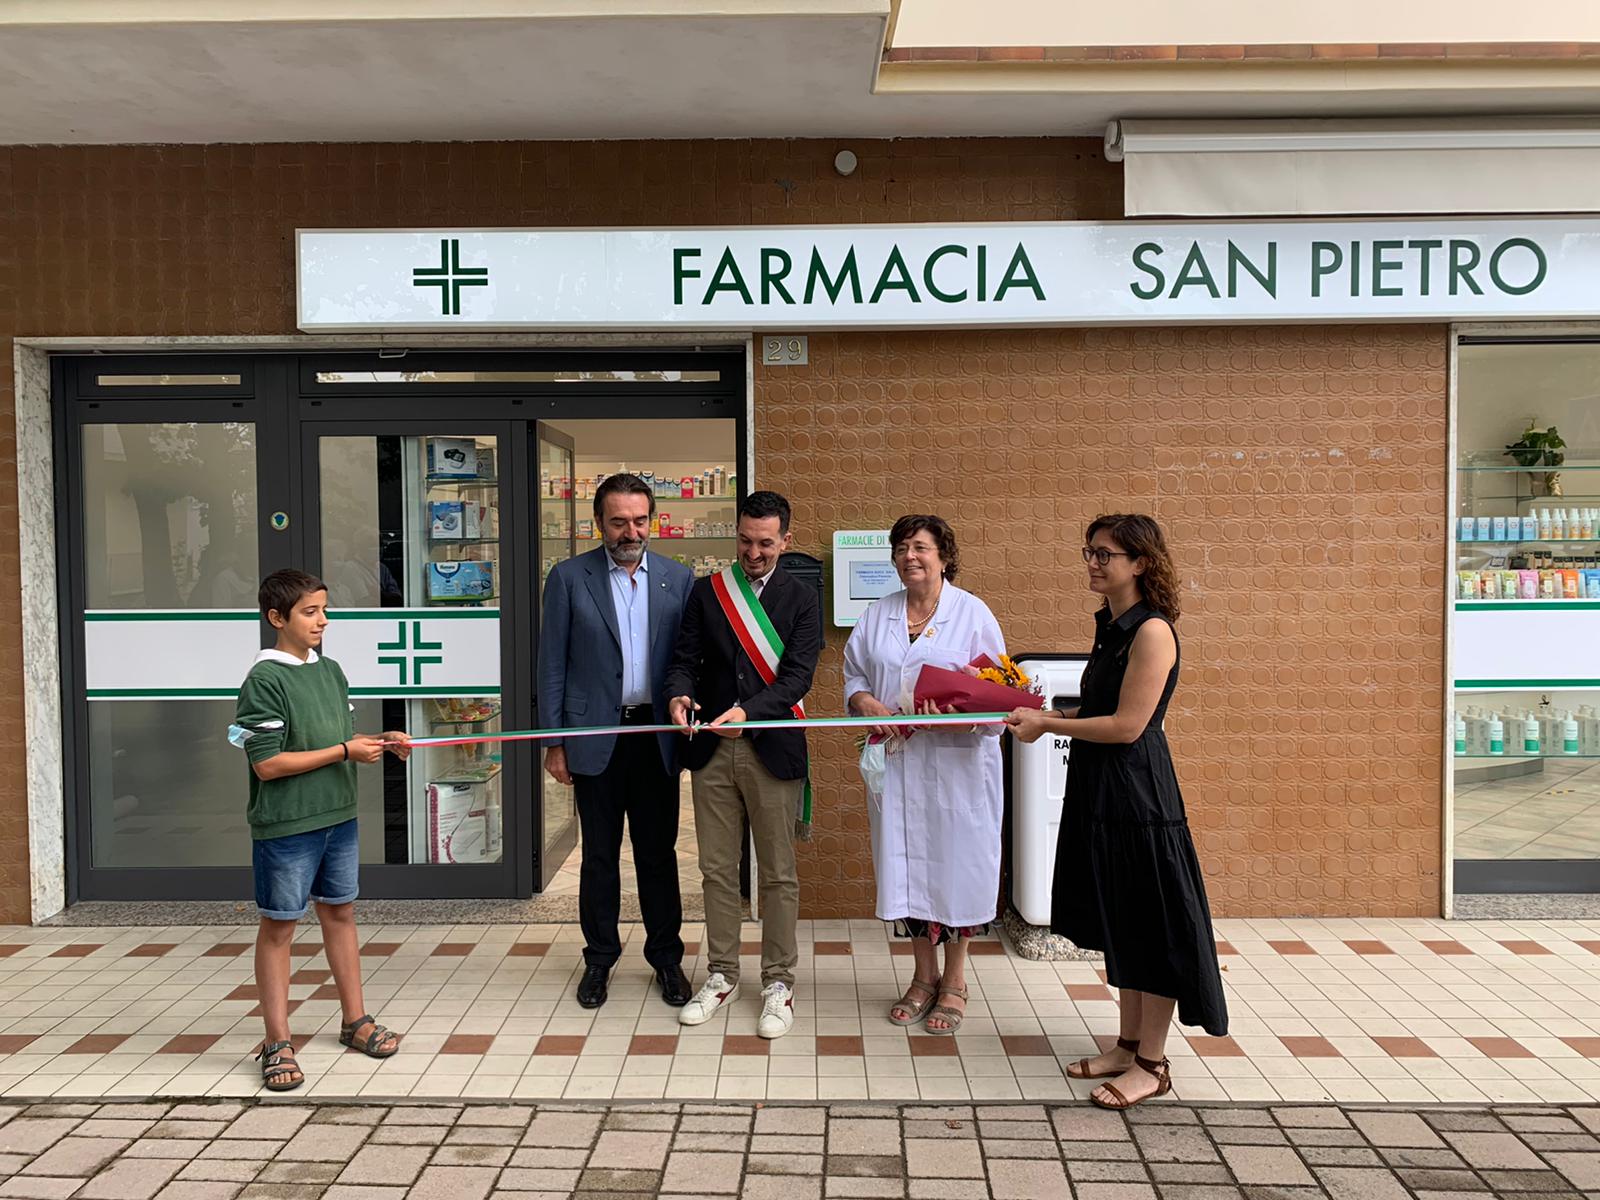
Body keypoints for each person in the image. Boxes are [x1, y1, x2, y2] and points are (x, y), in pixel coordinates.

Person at [1007, 514, 1228, 1110]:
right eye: (1091, 552)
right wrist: (1035, 714)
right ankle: (1127, 1045)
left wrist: (1046, 724)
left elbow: (1130, 725)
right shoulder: (1113, 628)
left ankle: (1153, 1066)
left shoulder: (1152, 631)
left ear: (1142, 563)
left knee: (1151, 932)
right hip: (1103, 791)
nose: (1093, 562)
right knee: (1123, 926)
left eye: (1105, 554)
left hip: (1139, 798)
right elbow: (1097, 710)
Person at [232, 568, 411, 1092]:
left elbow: (334, 737)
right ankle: (277, 1042)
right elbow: (267, 763)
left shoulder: (329, 670)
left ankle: (355, 1021)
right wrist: (344, 751)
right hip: (287, 826)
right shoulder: (263, 679)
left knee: (340, 913)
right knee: (280, 926)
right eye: (310, 612)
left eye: (323, 610)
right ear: (276, 618)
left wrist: (376, 741)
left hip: (338, 815)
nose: (322, 620)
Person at [665, 491, 823, 1039]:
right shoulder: (708, 592)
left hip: (772, 749)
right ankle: (722, 974)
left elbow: (798, 677)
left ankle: (778, 981)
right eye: (744, 540)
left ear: (786, 540)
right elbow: (683, 660)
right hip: (712, 749)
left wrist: (746, 711)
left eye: (764, 543)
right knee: (716, 870)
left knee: (778, 874)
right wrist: (678, 696)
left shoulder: (802, 599)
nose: (752, 553)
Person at [842, 515, 1005, 1034]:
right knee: (909, 871)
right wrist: (865, 701)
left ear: (943, 556)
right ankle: (921, 976)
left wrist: (958, 708)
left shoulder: (973, 613)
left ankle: (954, 982)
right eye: (901, 548)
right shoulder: (879, 614)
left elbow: (998, 691)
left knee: (957, 872)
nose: (909, 556)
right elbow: (855, 674)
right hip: (902, 767)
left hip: (957, 769)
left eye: (920, 547)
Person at [539, 472, 696, 1010]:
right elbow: (552, 665)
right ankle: (599, 960)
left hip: (655, 736)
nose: (631, 531)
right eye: (618, 521)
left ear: (651, 520)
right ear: (598, 523)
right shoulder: (567, 578)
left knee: (658, 855)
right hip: (594, 736)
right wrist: (555, 741)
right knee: (599, 857)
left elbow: (686, 659)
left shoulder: (679, 577)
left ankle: (667, 960)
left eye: (639, 519)